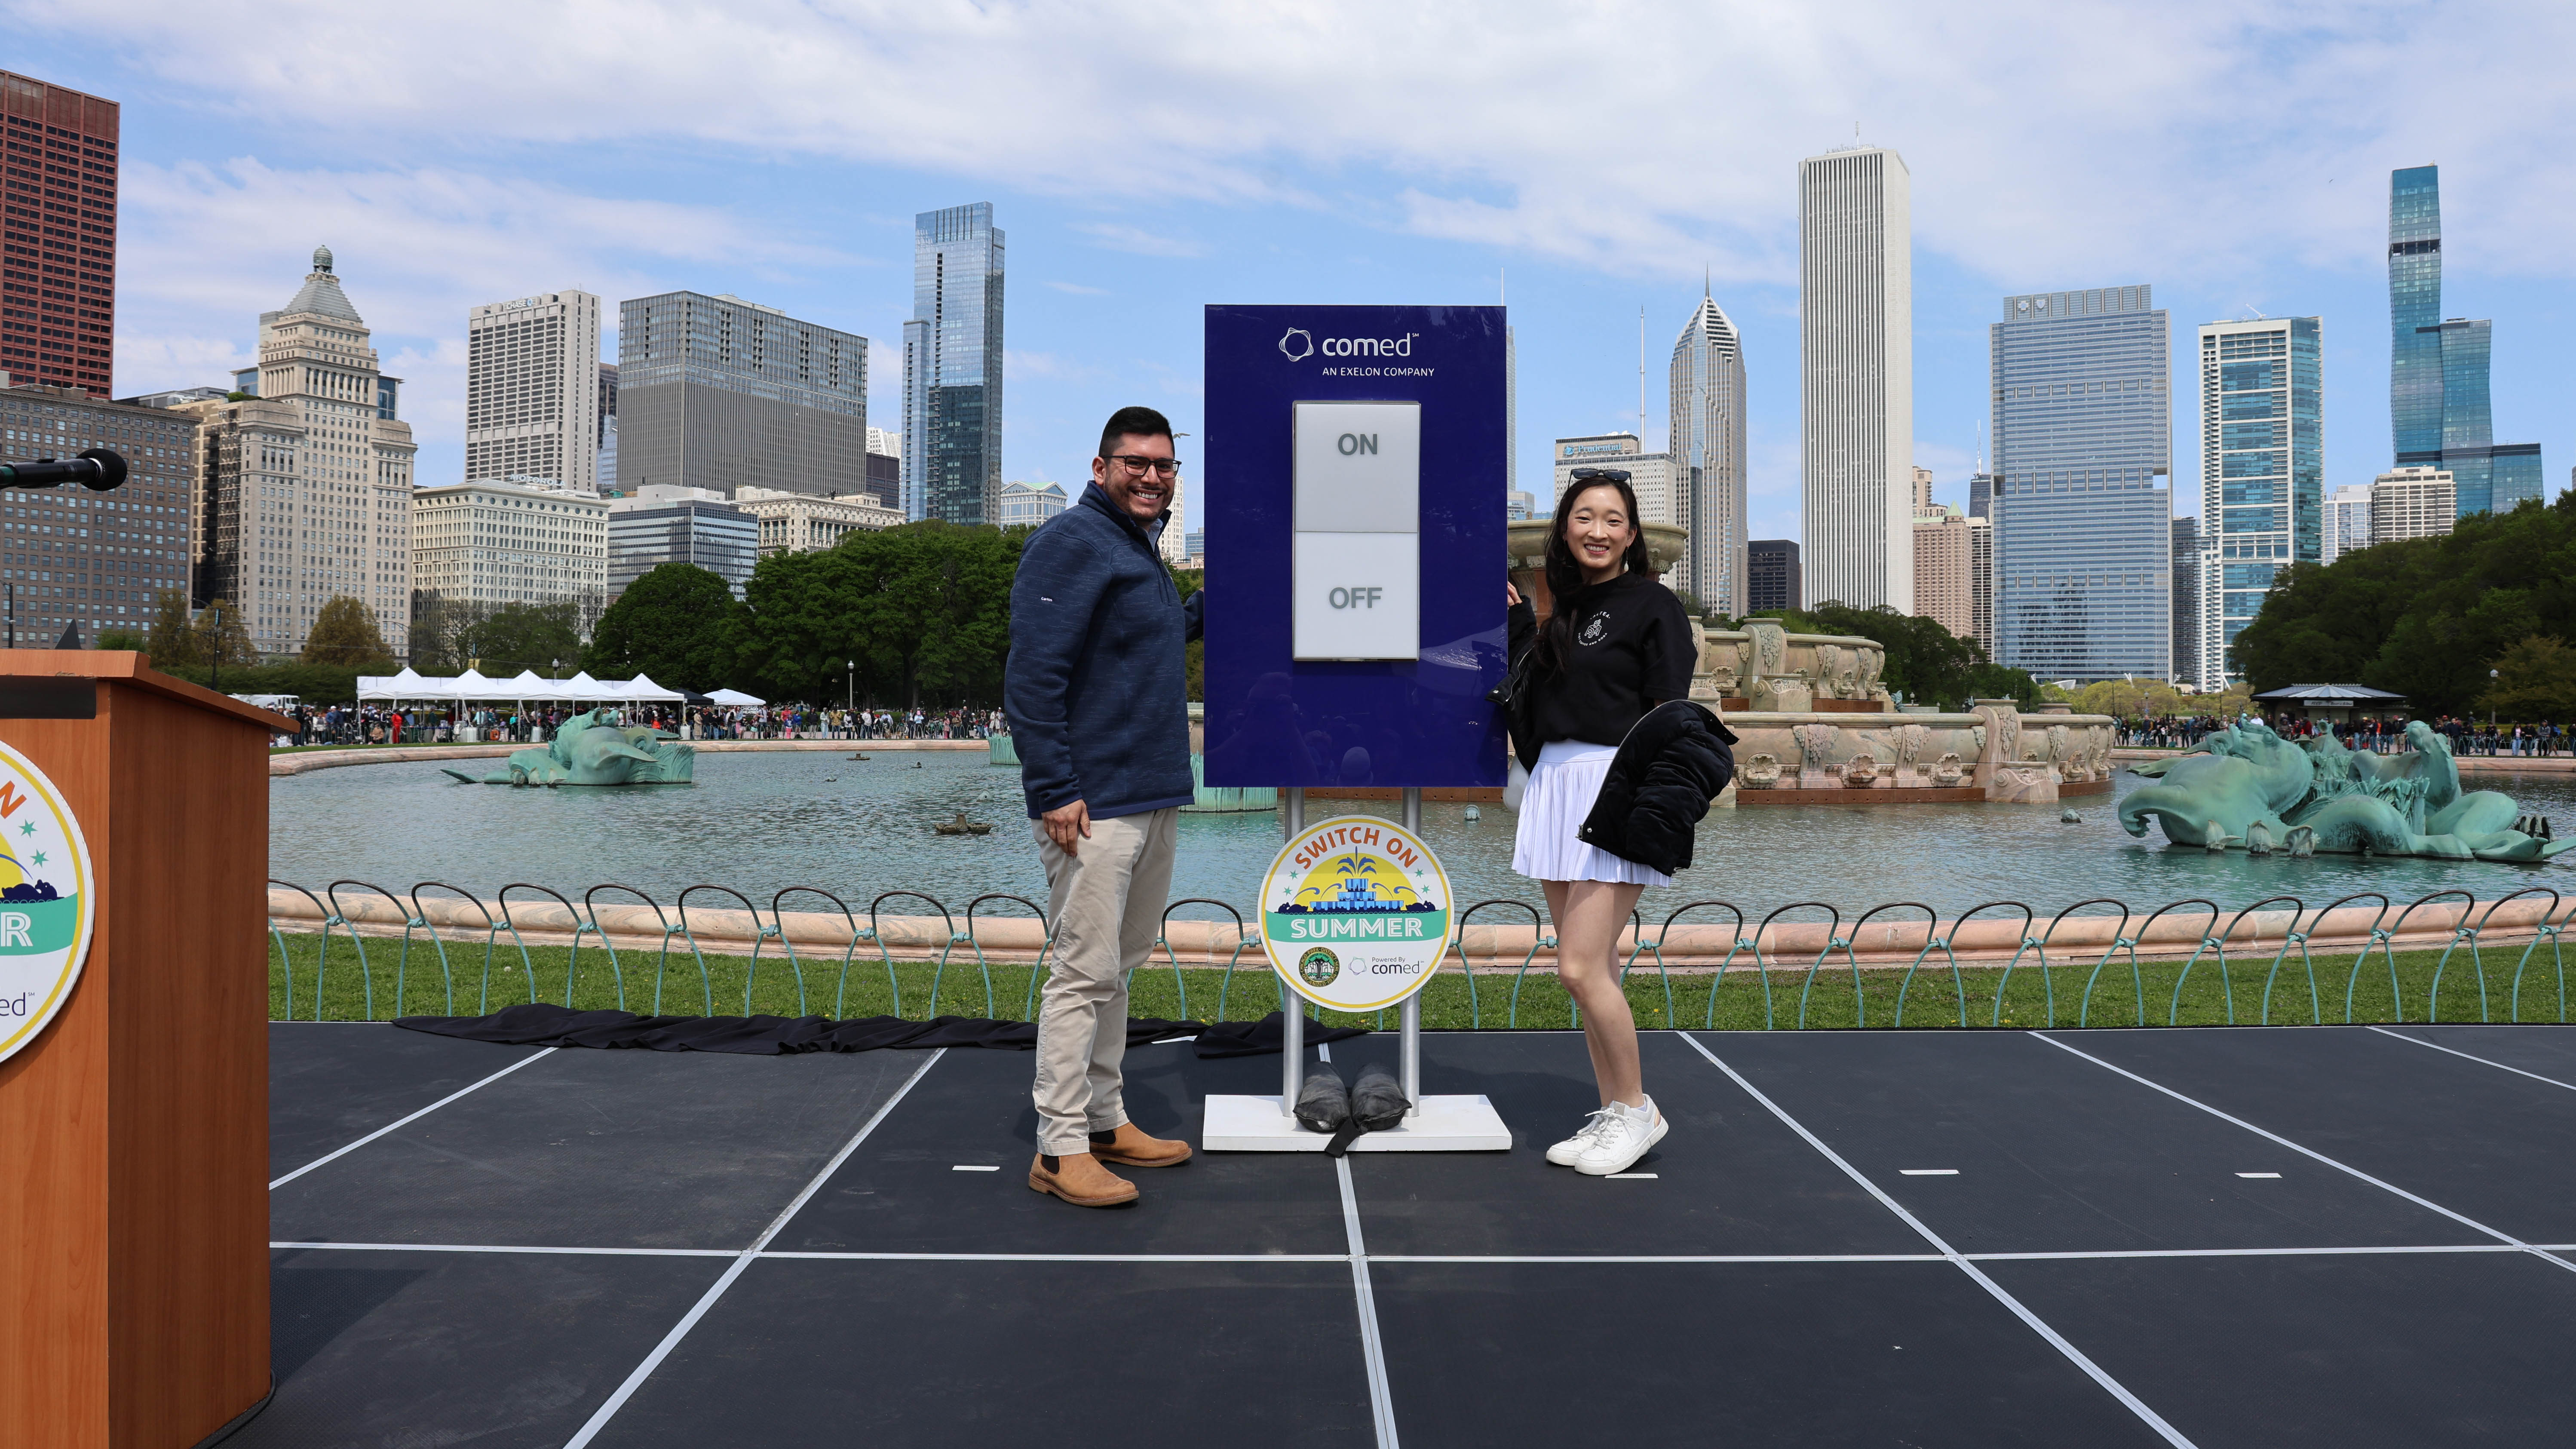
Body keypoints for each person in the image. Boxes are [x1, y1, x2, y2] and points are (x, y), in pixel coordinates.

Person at [1004, 405, 1204, 1208]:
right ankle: (1058, 1148)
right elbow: (1033, 674)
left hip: (1149, 791)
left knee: (1118, 968)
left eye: (1164, 466)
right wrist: (1055, 788)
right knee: (1082, 973)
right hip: (1094, 802)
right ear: (1101, 467)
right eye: (1136, 463)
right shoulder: (1071, 542)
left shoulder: (1138, 551)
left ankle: (1104, 1118)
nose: (1152, 476)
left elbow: (1153, 642)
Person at [1503, 470, 1693, 1176]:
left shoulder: (1652, 604)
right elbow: (1541, 701)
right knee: (1598, 967)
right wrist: (1526, 624)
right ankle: (1614, 1107)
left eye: (1614, 519)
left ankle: (1639, 1108)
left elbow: (1669, 710)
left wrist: (1649, 804)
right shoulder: (1568, 610)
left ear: (1632, 534)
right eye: (1584, 516)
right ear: (1565, 528)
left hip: (1612, 787)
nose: (1598, 530)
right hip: (1556, 786)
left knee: (1580, 967)